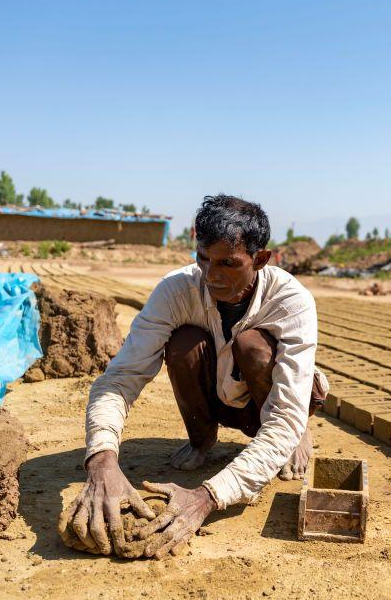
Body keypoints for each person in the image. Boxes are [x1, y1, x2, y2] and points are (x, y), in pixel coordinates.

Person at [65, 194, 327, 558]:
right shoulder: (176, 290)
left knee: (253, 346)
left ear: (261, 260)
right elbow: (119, 378)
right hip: (219, 392)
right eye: (203, 258)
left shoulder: (291, 301)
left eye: (228, 264)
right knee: (184, 343)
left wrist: (206, 498)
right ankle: (203, 440)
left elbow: (281, 419)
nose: (211, 275)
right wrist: (101, 461)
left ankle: (300, 428)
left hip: (265, 398)